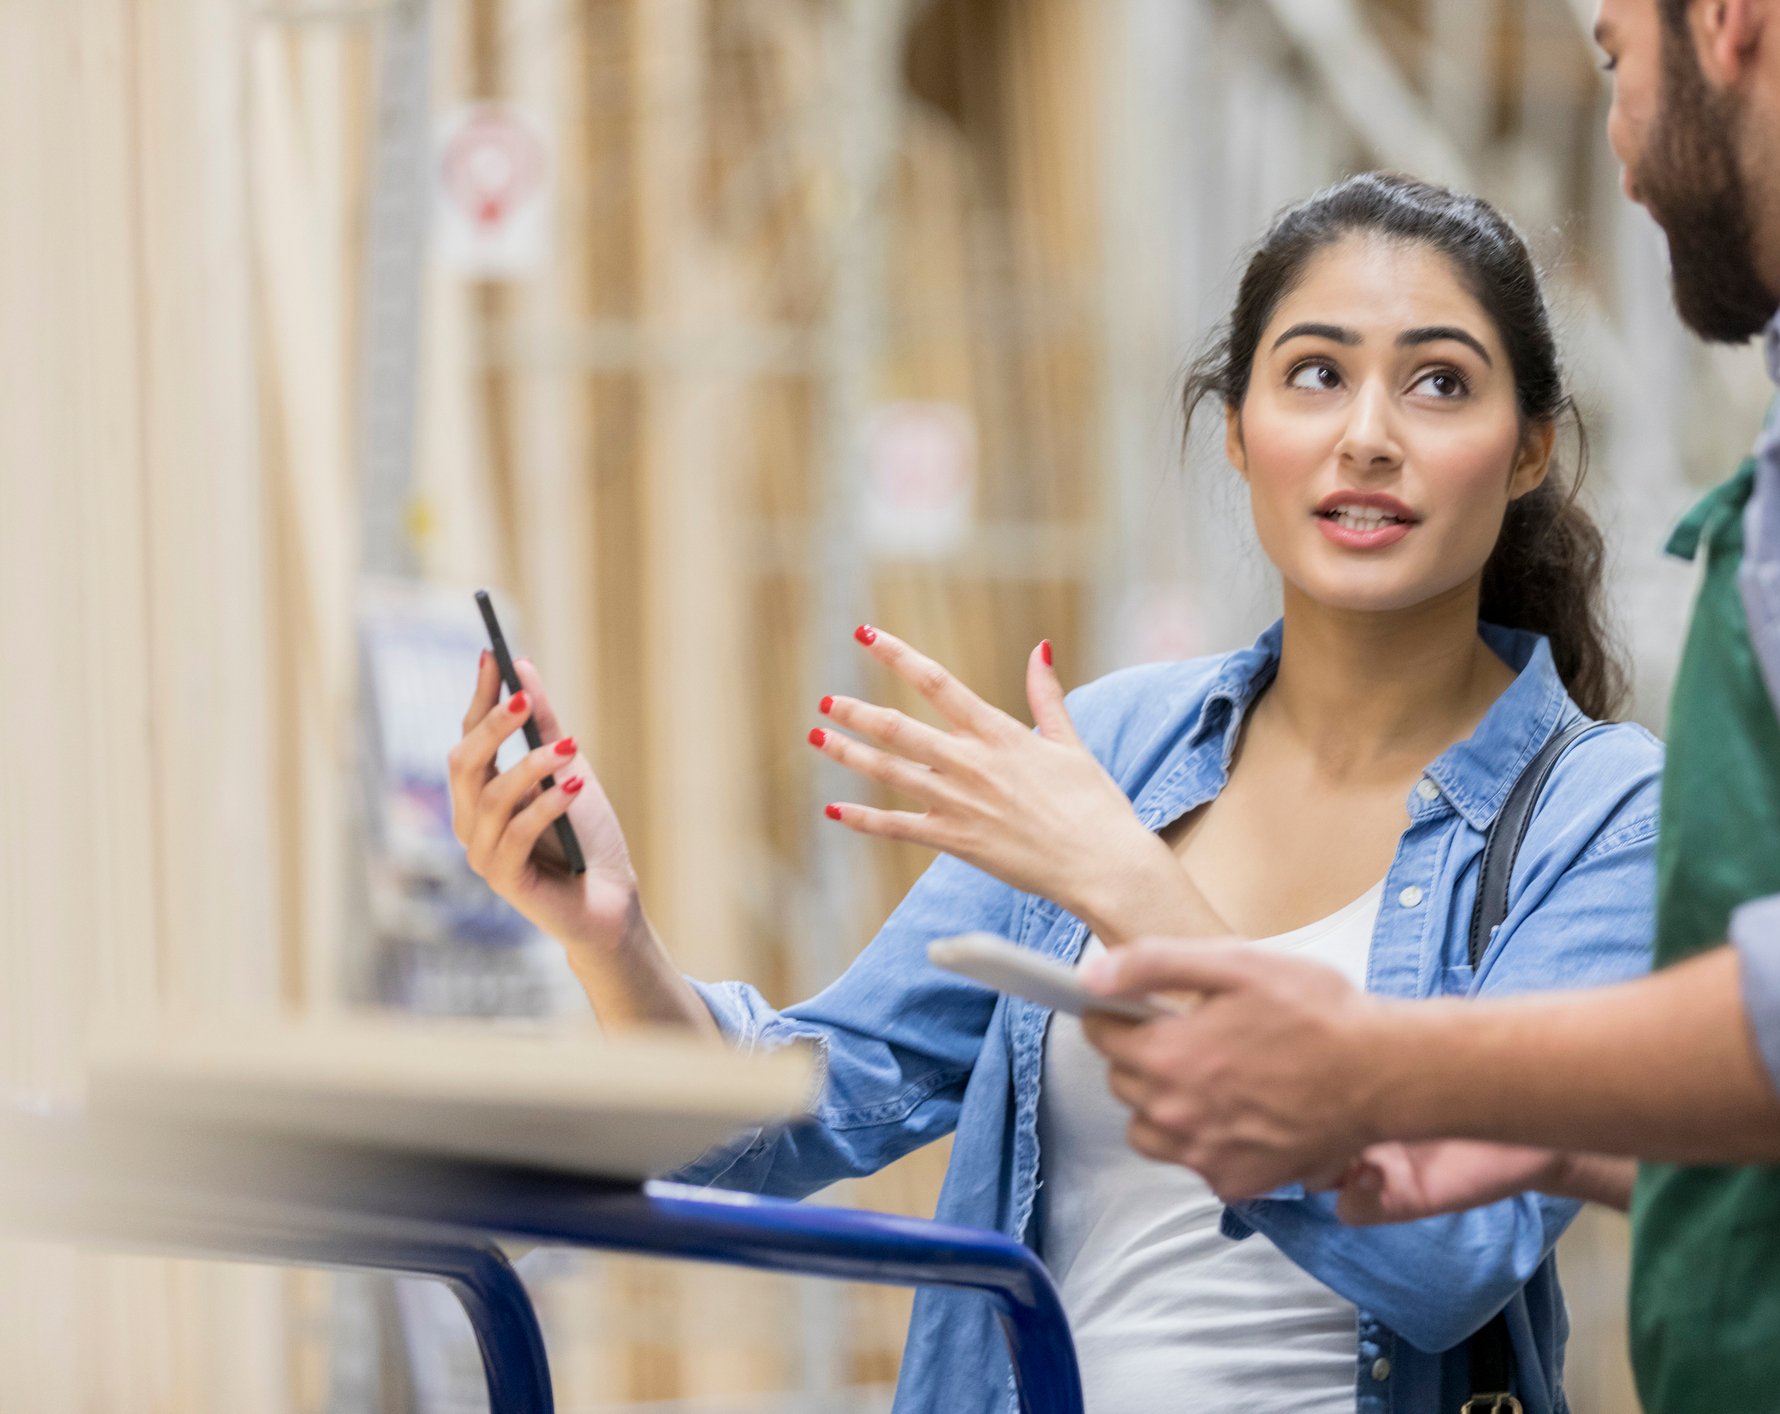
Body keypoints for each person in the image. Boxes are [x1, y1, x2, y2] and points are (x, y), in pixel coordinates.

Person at [448, 173, 1664, 1413]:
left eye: (1439, 381)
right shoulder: (1119, 745)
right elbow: (787, 1126)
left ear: (1529, 450)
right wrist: (614, 938)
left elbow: (1450, 1258)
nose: (1367, 433)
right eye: (1313, 372)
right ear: (1239, 430)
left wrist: (1138, 893)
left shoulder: (1605, 815)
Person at [1081, 2, 1780, 1409]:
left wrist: (1383, 1058)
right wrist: (1547, 1128)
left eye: (1615, 52)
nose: (1620, 145)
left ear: (1731, 20)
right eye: (1312, 373)